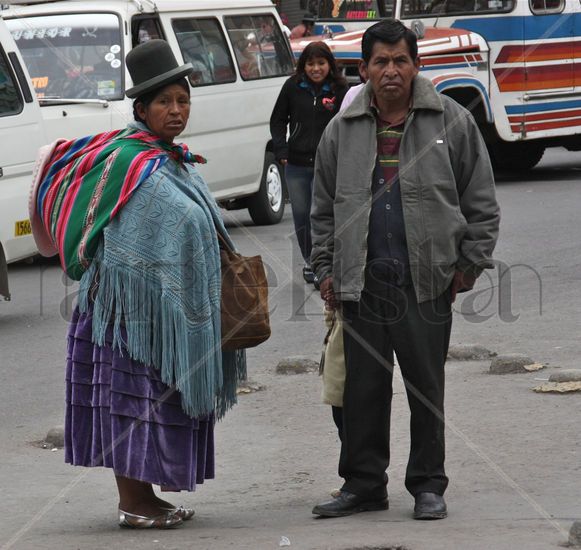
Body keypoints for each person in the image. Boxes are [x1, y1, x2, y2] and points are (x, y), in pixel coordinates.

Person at [29, 39, 246, 529]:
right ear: (141, 108)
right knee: (131, 404)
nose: (176, 110)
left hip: (155, 310)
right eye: (164, 102)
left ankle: (146, 497)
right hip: (125, 313)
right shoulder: (131, 160)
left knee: (152, 402)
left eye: (183, 100)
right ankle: (134, 503)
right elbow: (161, 224)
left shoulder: (169, 158)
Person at [310, 19, 500, 520]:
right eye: (381, 61)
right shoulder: (341, 129)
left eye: (400, 60)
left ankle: (427, 485)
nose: (391, 71)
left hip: (426, 281)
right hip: (362, 284)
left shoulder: (452, 121)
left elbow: (481, 202)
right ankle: (364, 484)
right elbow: (323, 209)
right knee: (362, 392)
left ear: (416, 65)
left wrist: (468, 267)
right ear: (364, 69)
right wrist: (325, 270)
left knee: (425, 388)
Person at [270, 41, 348, 284]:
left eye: (321, 63)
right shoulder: (292, 87)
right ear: (303, 66)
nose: (316, 68)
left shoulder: (340, 89)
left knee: (321, 213)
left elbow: (348, 122)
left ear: (330, 65)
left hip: (327, 165)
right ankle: (310, 261)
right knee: (301, 215)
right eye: (311, 64)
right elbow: (278, 120)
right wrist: (282, 150)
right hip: (295, 164)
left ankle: (323, 264)